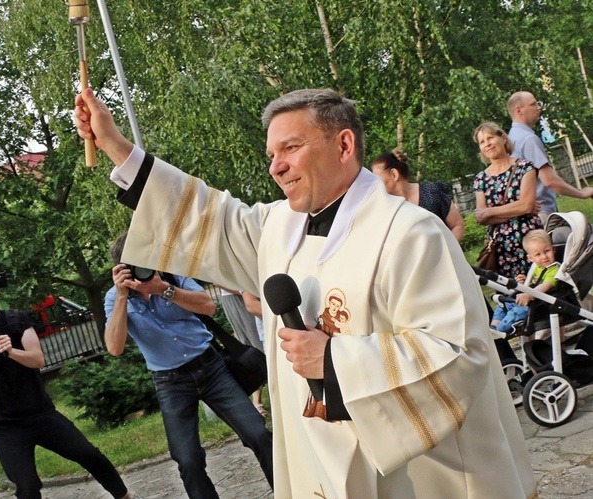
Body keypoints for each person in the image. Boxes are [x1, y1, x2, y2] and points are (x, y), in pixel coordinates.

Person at [75, 87, 536, 498]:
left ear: (344, 144)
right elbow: (206, 217)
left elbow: (459, 355)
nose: (276, 166)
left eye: (290, 148)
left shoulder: (412, 234)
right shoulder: (279, 225)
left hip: (413, 474)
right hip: (315, 453)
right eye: (272, 154)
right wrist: (116, 144)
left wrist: (335, 361)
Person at [0, 270, 135, 499]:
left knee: (89, 454)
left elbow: (38, 359)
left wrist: (12, 352)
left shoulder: (16, 319)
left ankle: (124, 496)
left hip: (39, 412)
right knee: (27, 486)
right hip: (2, 423)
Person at [106, 235, 273, 499]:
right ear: (122, 268)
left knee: (258, 434)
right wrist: (122, 298)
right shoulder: (116, 298)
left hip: (211, 367)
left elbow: (208, 306)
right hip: (170, 381)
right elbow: (114, 347)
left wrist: (163, 289)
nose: (143, 267)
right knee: (188, 459)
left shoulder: (171, 278)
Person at [507, 91, 593, 220]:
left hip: (524, 216)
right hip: (541, 214)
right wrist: (581, 193)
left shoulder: (511, 138)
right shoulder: (528, 139)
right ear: (519, 111)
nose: (538, 107)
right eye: (533, 104)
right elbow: (550, 181)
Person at [473, 121, 543, 278]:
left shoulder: (525, 167)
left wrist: (490, 212)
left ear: (503, 138)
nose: (487, 144)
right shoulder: (480, 179)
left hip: (530, 241)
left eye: (490, 138)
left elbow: (526, 205)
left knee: (540, 287)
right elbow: (481, 218)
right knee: (511, 294)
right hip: (501, 248)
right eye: (482, 142)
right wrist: (518, 208)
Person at [371, 148, 465, 241]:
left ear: (394, 174)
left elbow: (457, 225)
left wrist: (446, 253)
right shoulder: (387, 209)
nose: (375, 185)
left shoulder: (431, 192)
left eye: (377, 179)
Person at [491, 229, 560, 334]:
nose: (544, 257)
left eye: (547, 251)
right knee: (503, 304)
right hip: (531, 301)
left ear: (553, 249)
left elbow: (545, 286)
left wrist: (528, 294)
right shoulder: (537, 267)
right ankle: (493, 327)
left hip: (540, 305)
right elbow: (535, 282)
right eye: (538, 254)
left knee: (516, 312)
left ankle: (500, 330)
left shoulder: (554, 270)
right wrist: (525, 282)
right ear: (530, 258)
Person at [215, 286, 267, 415]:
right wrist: (244, 291)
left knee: (260, 346)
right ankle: (257, 401)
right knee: (252, 347)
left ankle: (260, 400)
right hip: (236, 296)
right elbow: (216, 281)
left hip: (252, 293)